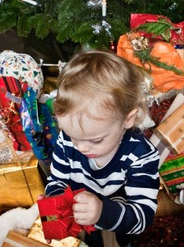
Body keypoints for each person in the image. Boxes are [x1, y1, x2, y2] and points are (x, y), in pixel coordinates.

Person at [44, 50, 160, 247]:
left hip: (120, 211)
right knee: (92, 239)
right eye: (72, 136)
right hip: (80, 212)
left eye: (95, 140)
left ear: (128, 119)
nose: (80, 147)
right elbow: (57, 179)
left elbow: (142, 216)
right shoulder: (68, 141)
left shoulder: (141, 156)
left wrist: (103, 212)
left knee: (123, 238)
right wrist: (54, 201)